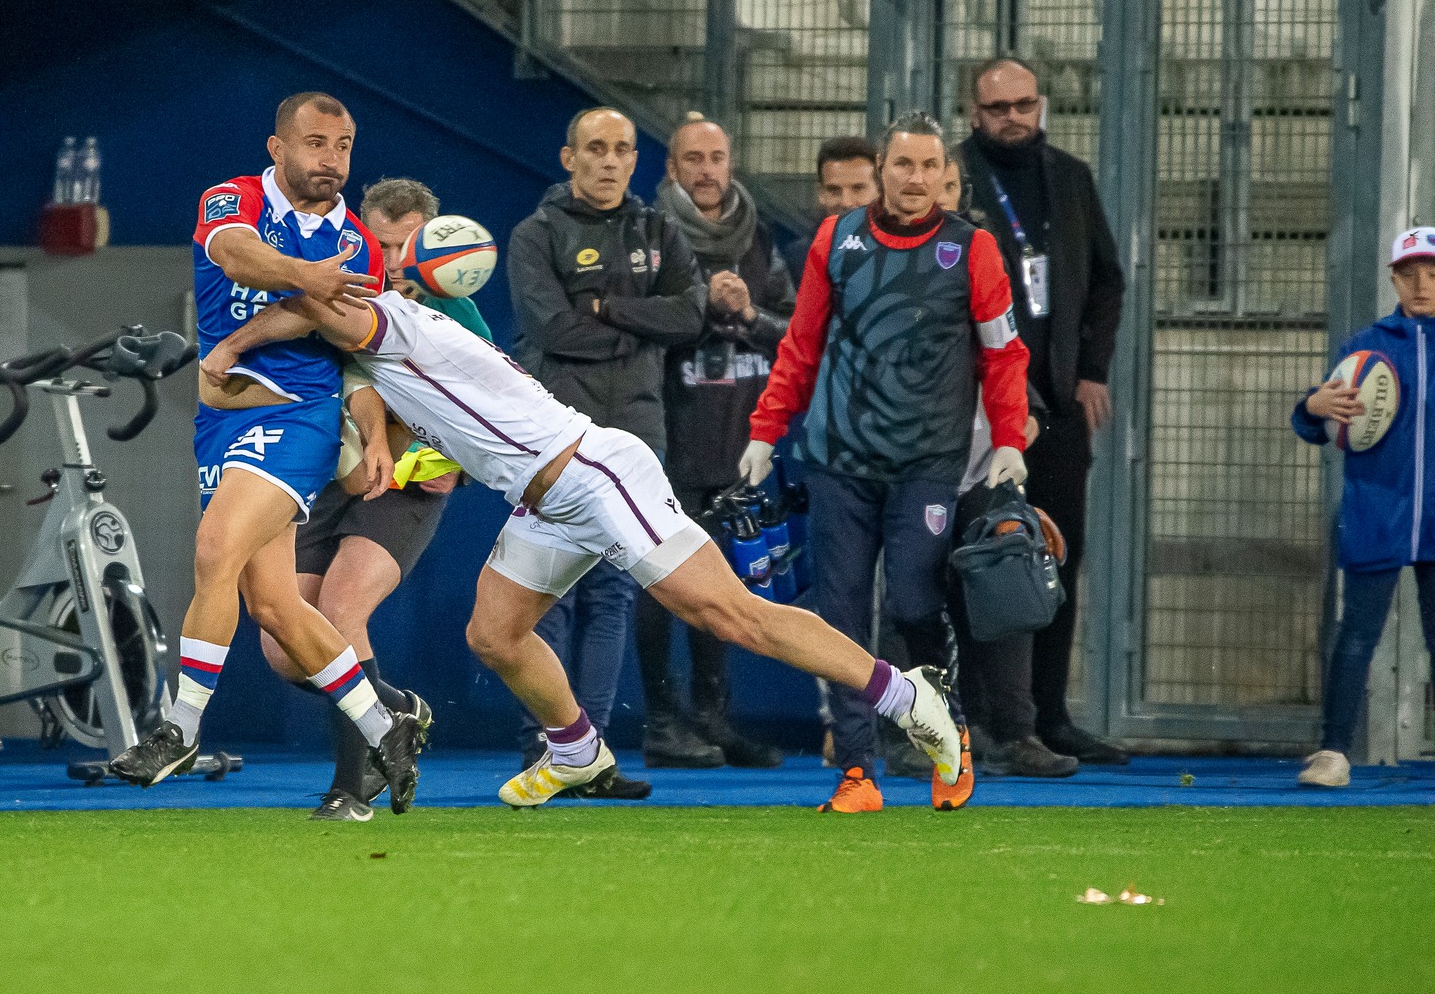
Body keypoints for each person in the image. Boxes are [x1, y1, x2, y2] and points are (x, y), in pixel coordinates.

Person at [198, 283, 969, 811]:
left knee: (732, 616)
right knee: (493, 633)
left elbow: (309, 309)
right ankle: (576, 751)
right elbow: (346, 374)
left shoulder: (388, 319)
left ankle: (909, 695)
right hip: (545, 500)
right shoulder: (373, 355)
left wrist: (230, 340)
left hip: (596, 471)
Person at [105, 93, 426, 811]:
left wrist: (373, 434)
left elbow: (351, 352)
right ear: (277, 148)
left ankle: (179, 726)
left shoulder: (362, 247)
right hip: (223, 418)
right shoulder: (231, 198)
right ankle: (384, 728)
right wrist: (305, 278)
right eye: (315, 144)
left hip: (300, 415)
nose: (331, 161)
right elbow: (237, 257)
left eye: (343, 146)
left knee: (216, 547)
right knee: (276, 607)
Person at [741, 111, 1028, 813]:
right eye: (904, 165)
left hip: (928, 463)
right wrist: (764, 430)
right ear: (882, 169)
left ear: (943, 174)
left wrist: (1012, 440)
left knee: (912, 604)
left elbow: (1004, 353)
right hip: (837, 460)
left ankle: (946, 739)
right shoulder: (837, 239)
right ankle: (859, 771)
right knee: (837, 620)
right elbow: (801, 344)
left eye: (931, 167)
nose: (917, 179)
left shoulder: (976, 249)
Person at [264, 176, 486, 821]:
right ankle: (395, 709)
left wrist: (448, 465)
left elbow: (487, 411)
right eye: (379, 243)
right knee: (283, 645)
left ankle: (350, 788)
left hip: (408, 482)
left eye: (403, 246)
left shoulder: (456, 310)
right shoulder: (331, 287)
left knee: (339, 610)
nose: (389, 262)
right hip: (329, 480)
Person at [505, 106, 707, 798]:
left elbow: (691, 315)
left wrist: (606, 310)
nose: (611, 160)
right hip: (556, 437)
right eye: (596, 148)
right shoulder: (536, 233)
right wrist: (639, 322)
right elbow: (553, 330)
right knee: (548, 596)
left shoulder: (659, 228)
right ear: (570, 158)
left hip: (637, 440)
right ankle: (548, 742)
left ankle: (592, 753)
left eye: (623, 149)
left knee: (614, 594)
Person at [958, 57, 1127, 766]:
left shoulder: (1070, 177)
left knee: (1054, 559)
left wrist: (1091, 372)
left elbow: (1108, 282)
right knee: (980, 564)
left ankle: (1048, 715)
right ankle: (984, 720)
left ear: (1042, 106)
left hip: (1056, 407)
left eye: (1024, 104)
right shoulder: (956, 178)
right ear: (974, 114)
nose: (1013, 118)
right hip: (979, 412)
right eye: (998, 108)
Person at [636, 113, 793, 770]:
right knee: (660, 588)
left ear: (730, 166)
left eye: (717, 158)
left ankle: (712, 720)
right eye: (692, 159)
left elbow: (790, 333)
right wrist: (706, 305)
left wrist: (747, 312)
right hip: (668, 442)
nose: (706, 170)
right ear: (672, 169)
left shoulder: (757, 239)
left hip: (738, 442)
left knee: (723, 590)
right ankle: (662, 724)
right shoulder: (645, 234)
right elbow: (637, 323)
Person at [1290, 228, 1435, 788]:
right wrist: (1312, 404)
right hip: (1376, 509)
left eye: (1432, 273)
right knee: (1357, 635)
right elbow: (1319, 424)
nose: (1422, 284)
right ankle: (1332, 753)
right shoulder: (1366, 347)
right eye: (1410, 273)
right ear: (1394, 279)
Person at [782, 136, 880, 282]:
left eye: (858, 188)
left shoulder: (904, 253)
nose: (846, 202)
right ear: (821, 194)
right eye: (834, 190)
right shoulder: (798, 258)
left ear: (880, 190)